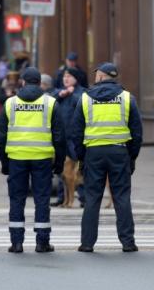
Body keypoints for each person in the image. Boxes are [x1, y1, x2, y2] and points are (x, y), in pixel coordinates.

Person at [68, 62, 143, 252]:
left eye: (96, 74)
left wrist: (82, 157)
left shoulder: (85, 99)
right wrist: (131, 157)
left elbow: (76, 132)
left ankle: (87, 243)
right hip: (119, 152)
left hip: (94, 153)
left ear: (101, 76)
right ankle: (128, 242)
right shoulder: (127, 98)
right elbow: (137, 132)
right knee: (122, 197)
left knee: (93, 198)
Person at [0, 67, 66, 253]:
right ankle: (42, 242)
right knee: (42, 199)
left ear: (22, 82)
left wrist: (4, 162)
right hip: (42, 158)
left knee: (16, 199)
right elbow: (59, 136)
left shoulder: (10, 103)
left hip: (16, 158)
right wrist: (59, 162)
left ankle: (17, 242)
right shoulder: (50, 103)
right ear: (39, 83)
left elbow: (1, 136)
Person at [52, 68, 86, 207]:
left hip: (75, 138)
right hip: (61, 138)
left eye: (69, 76)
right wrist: (61, 94)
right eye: (64, 76)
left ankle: (83, 198)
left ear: (76, 79)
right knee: (62, 170)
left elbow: (84, 106)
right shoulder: (59, 92)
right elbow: (49, 100)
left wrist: (71, 94)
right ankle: (63, 198)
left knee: (78, 169)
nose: (66, 78)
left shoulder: (80, 93)